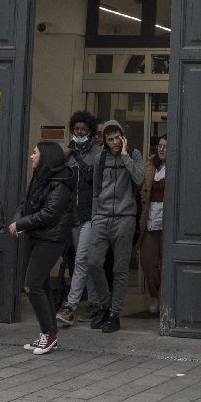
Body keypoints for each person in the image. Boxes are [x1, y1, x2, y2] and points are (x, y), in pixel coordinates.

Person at [9, 140, 74, 355]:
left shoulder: (60, 182)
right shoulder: (39, 177)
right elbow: (24, 202)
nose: (31, 156)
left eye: (35, 153)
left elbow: (50, 214)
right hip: (34, 236)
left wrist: (21, 224)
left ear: (45, 156)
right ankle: (48, 334)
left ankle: (49, 334)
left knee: (32, 285)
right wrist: (19, 220)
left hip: (51, 239)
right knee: (42, 285)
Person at [80, 119, 145, 333]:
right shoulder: (101, 158)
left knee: (120, 269)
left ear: (123, 136)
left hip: (125, 218)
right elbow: (97, 190)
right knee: (93, 263)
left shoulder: (133, 155)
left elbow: (139, 180)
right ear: (105, 142)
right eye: (110, 139)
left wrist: (125, 156)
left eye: (118, 138)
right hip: (102, 216)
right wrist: (96, 217)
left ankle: (114, 314)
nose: (115, 142)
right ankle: (105, 305)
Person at [54, 110, 102, 326]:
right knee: (83, 261)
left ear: (91, 132)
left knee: (82, 259)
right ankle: (95, 302)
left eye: (83, 129)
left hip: (91, 216)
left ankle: (70, 307)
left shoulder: (99, 154)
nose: (79, 132)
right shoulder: (68, 155)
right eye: (76, 129)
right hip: (73, 217)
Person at [138, 134, 168, 317]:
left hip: (168, 220)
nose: (162, 149)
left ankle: (164, 298)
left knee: (167, 261)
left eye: (166, 146)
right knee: (148, 261)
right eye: (160, 145)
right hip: (150, 218)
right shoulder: (149, 166)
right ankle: (154, 295)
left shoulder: (175, 167)